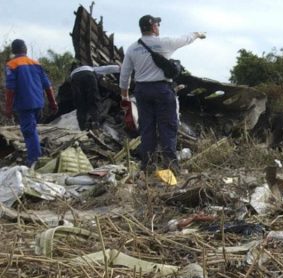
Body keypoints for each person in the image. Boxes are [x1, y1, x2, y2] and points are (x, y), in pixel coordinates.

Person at [119, 14, 205, 170]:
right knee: (168, 127)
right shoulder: (165, 43)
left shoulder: (132, 48)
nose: (158, 27)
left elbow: (125, 74)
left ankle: (148, 165)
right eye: (157, 25)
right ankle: (171, 165)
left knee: (147, 128)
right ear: (153, 27)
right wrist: (198, 34)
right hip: (162, 90)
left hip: (142, 91)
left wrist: (124, 95)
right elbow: (185, 38)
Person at [4, 39, 58, 167]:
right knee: (32, 129)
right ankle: (36, 152)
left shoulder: (12, 65)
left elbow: (10, 89)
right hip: (38, 102)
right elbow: (48, 86)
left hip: (24, 104)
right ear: (25, 49)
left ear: (13, 50)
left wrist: (8, 108)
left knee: (29, 131)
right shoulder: (36, 63)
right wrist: (53, 103)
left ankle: (34, 159)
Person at [69, 61, 120, 131]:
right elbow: (105, 69)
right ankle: (95, 123)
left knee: (80, 105)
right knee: (93, 102)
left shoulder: (73, 73)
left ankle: (82, 128)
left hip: (75, 78)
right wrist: (118, 68)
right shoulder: (89, 68)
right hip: (89, 75)